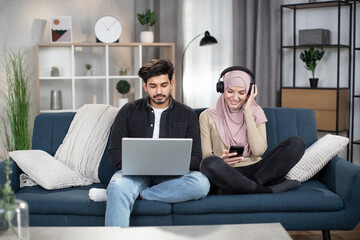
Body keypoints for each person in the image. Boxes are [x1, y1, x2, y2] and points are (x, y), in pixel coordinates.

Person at [105, 59, 210, 227]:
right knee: (118, 187)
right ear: (145, 86)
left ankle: (140, 194)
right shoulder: (128, 111)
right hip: (135, 174)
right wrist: (138, 165)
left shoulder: (187, 114)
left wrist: (171, 164)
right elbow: (115, 152)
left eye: (163, 85)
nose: (159, 91)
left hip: (174, 177)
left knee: (201, 184)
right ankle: (123, 193)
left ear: (172, 83)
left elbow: (196, 157)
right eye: (153, 86)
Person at [199, 67, 305, 194]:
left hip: (259, 172)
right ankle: (265, 190)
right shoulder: (206, 116)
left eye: (241, 93)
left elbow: (258, 150)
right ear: (222, 88)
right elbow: (206, 156)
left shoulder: (256, 112)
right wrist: (221, 160)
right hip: (227, 172)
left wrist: (248, 112)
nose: (235, 97)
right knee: (209, 163)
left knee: (296, 143)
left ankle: (243, 187)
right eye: (230, 91)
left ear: (249, 92)